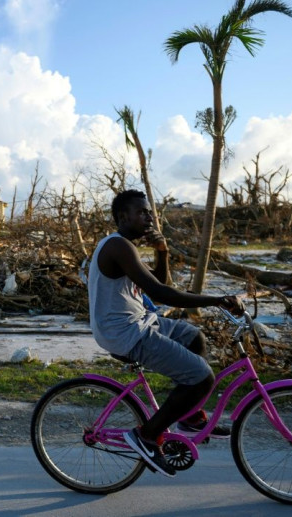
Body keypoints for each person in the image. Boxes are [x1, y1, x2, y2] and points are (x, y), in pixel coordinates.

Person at [88, 189, 244, 477]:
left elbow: (155, 283)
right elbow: (163, 292)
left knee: (193, 337)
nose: (149, 217)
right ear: (123, 217)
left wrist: (163, 252)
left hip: (139, 321)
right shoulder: (117, 247)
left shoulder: (125, 247)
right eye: (142, 212)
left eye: (149, 212)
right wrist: (215, 300)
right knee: (202, 378)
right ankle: (147, 436)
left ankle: (189, 416)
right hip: (125, 333)